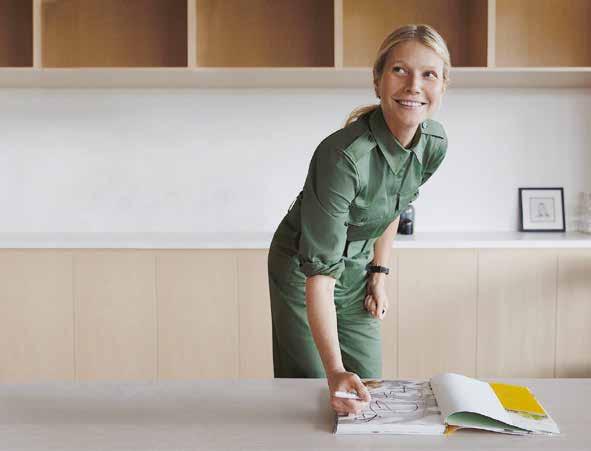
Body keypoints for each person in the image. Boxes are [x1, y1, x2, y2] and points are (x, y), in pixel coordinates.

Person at [267, 24, 450, 416]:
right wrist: (334, 371)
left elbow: (393, 204)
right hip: (304, 268)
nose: (414, 85)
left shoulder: (433, 144)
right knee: (312, 391)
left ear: (443, 86)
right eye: (399, 70)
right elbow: (320, 274)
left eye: (429, 74)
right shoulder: (343, 157)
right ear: (377, 80)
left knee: (370, 390)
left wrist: (379, 274)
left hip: (360, 266)